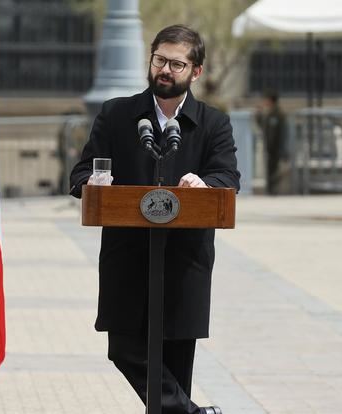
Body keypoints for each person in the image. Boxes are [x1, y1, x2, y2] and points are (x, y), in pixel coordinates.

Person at [69, 25, 240, 414]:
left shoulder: (214, 123)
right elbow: (79, 175)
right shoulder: (117, 114)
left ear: (195, 72)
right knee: (125, 348)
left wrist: (204, 182)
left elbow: (228, 178)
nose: (165, 70)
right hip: (127, 259)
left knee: (176, 369)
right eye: (160, 60)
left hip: (183, 263)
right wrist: (96, 183)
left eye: (177, 64)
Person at [255, 90, 287, 195]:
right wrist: (258, 114)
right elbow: (262, 126)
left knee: (275, 170)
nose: (265, 102)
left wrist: (282, 149)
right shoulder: (268, 113)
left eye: (266, 99)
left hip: (276, 148)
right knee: (270, 169)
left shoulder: (279, 114)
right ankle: (270, 190)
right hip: (269, 147)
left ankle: (273, 190)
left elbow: (283, 133)